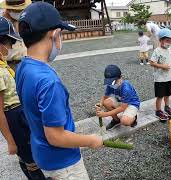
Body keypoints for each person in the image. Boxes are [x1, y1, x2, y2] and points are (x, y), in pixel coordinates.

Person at [16, 2, 103, 179]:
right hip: (63, 163)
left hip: (41, 153)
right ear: (54, 34)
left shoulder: (23, 67)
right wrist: (91, 140)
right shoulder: (49, 82)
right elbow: (56, 137)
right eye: (60, 33)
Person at [0, 17, 46, 180]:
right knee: (28, 155)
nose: (11, 47)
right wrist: (10, 141)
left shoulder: (3, 65)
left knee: (27, 153)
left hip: (19, 113)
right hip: (13, 117)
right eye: (9, 42)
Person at [96, 64, 139, 130]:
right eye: (110, 82)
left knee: (125, 121)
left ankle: (134, 117)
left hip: (131, 104)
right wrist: (100, 104)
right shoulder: (110, 84)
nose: (113, 84)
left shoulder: (126, 88)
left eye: (115, 81)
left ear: (121, 77)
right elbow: (105, 96)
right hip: (121, 102)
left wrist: (105, 114)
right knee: (106, 102)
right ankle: (116, 120)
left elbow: (122, 108)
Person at [150, 28, 171, 122]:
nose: (169, 43)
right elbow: (152, 63)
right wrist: (162, 66)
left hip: (168, 77)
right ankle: (158, 111)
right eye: (167, 41)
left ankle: (167, 107)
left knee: (167, 94)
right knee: (160, 96)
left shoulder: (169, 50)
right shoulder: (157, 51)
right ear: (161, 40)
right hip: (160, 78)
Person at [0, 0, 30, 70]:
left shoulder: (19, 19)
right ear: (8, 10)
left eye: (22, 10)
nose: (21, 12)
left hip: (24, 60)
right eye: (17, 11)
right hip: (9, 63)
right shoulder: (2, 24)